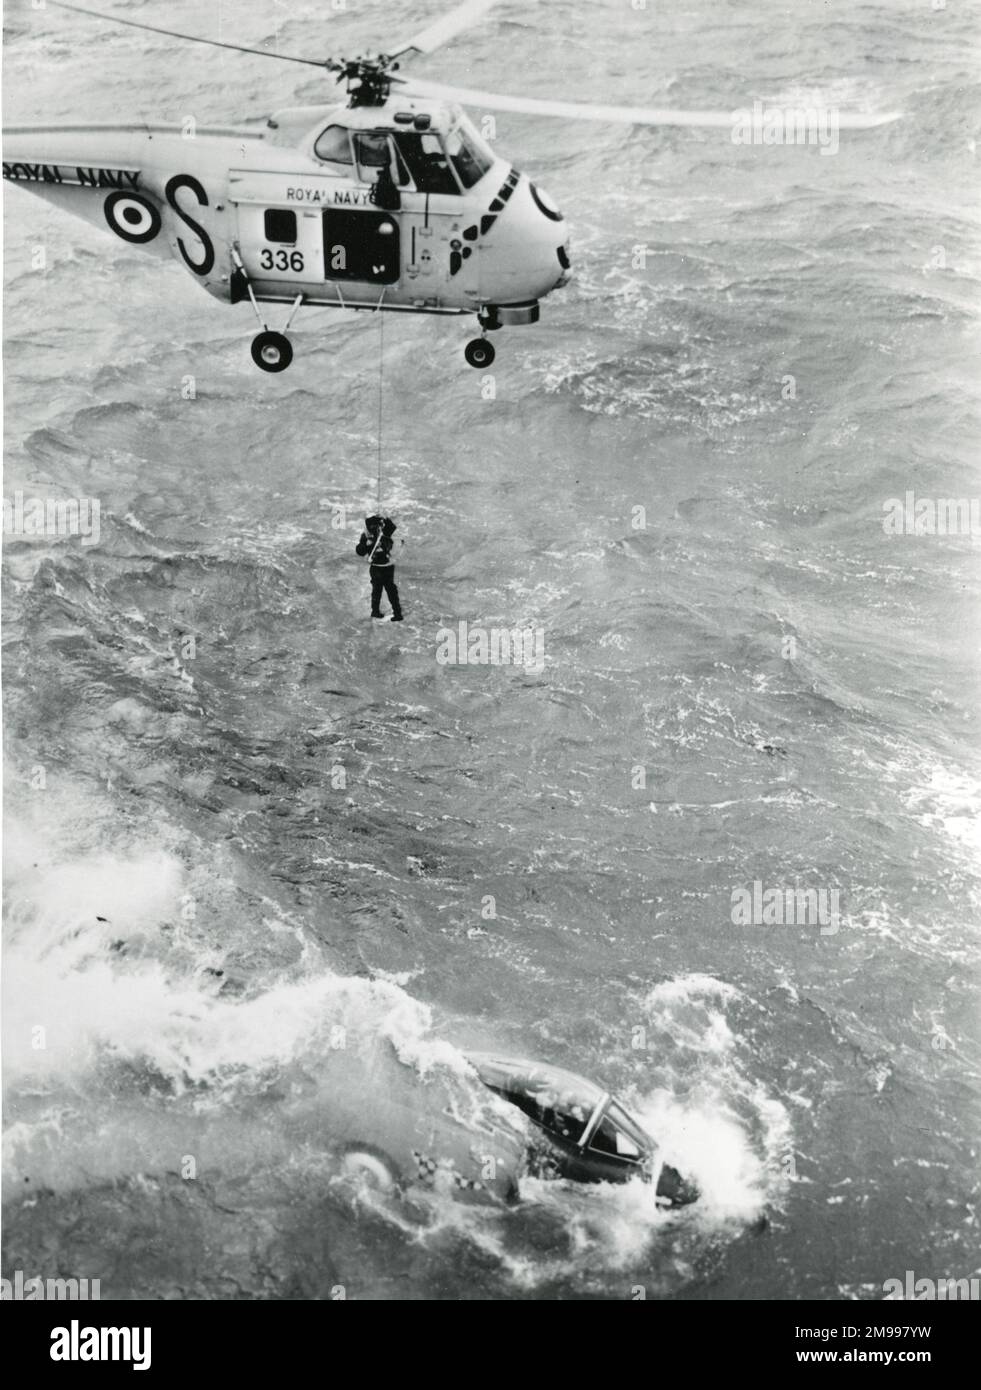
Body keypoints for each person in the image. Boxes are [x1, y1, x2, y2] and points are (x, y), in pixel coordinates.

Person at [356, 515, 403, 621]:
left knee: (391, 590)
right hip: (376, 567)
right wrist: (366, 545)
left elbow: (392, 529)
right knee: (377, 590)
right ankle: (375, 611)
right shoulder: (366, 536)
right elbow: (359, 551)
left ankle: (397, 613)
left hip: (387, 566)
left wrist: (385, 518)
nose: (374, 529)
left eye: (376, 526)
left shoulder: (385, 532)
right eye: (371, 527)